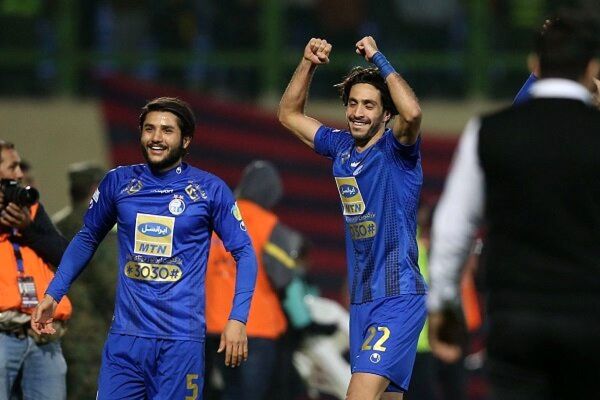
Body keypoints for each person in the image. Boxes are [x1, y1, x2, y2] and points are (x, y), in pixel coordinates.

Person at [32, 97, 258, 399]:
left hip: (180, 341)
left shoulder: (209, 189)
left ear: (186, 140)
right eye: (149, 129)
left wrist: (238, 318)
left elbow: (245, 252)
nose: (156, 137)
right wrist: (53, 294)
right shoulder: (118, 182)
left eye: (167, 130)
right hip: (126, 340)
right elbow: (87, 238)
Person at [427, 12, 600, 400]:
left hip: (515, 318)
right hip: (589, 320)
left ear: (533, 62)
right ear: (592, 67)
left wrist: (443, 306)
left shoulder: (487, 132)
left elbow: (452, 226)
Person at [278, 36, 427, 400]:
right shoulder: (341, 147)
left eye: (370, 105)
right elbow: (288, 115)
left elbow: (413, 113)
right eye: (353, 103)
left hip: (397, 298)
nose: (358, 112)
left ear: (386, 114)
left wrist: (379, 58)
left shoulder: (397, 151)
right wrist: (307, 63)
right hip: (362, 303)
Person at [204, 160, 289, 400]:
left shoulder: (215, 218)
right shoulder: (268, 224)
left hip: (214, 325)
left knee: (228, 391)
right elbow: (282, 277)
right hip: (257, 327)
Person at [0, 140, 71, 400]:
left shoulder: (29, 209)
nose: (19, 174)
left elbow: (65, 256)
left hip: (42, 336)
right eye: (13, 167)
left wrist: (28, 229)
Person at [52, 162, 118, 400]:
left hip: (63, 334)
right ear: (95, 189)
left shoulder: (56, 225)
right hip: (93, 337)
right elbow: (111, 284)